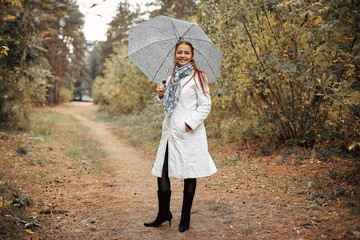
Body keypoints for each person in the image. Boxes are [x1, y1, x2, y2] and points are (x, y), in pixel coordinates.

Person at [144, 41, 217, 232]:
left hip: (188, 133)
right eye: (179, 52)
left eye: (186, 53)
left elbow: (205, 105)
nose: (182, 55)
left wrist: (189, 124)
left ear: (192, 56)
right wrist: (161, 94)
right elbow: (170, 106)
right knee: (162, 171)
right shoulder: (170, 78)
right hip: (169, 132)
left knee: (189, 172)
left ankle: (185, 218)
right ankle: (164, 213)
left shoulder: (199, 77)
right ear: (174, 54)